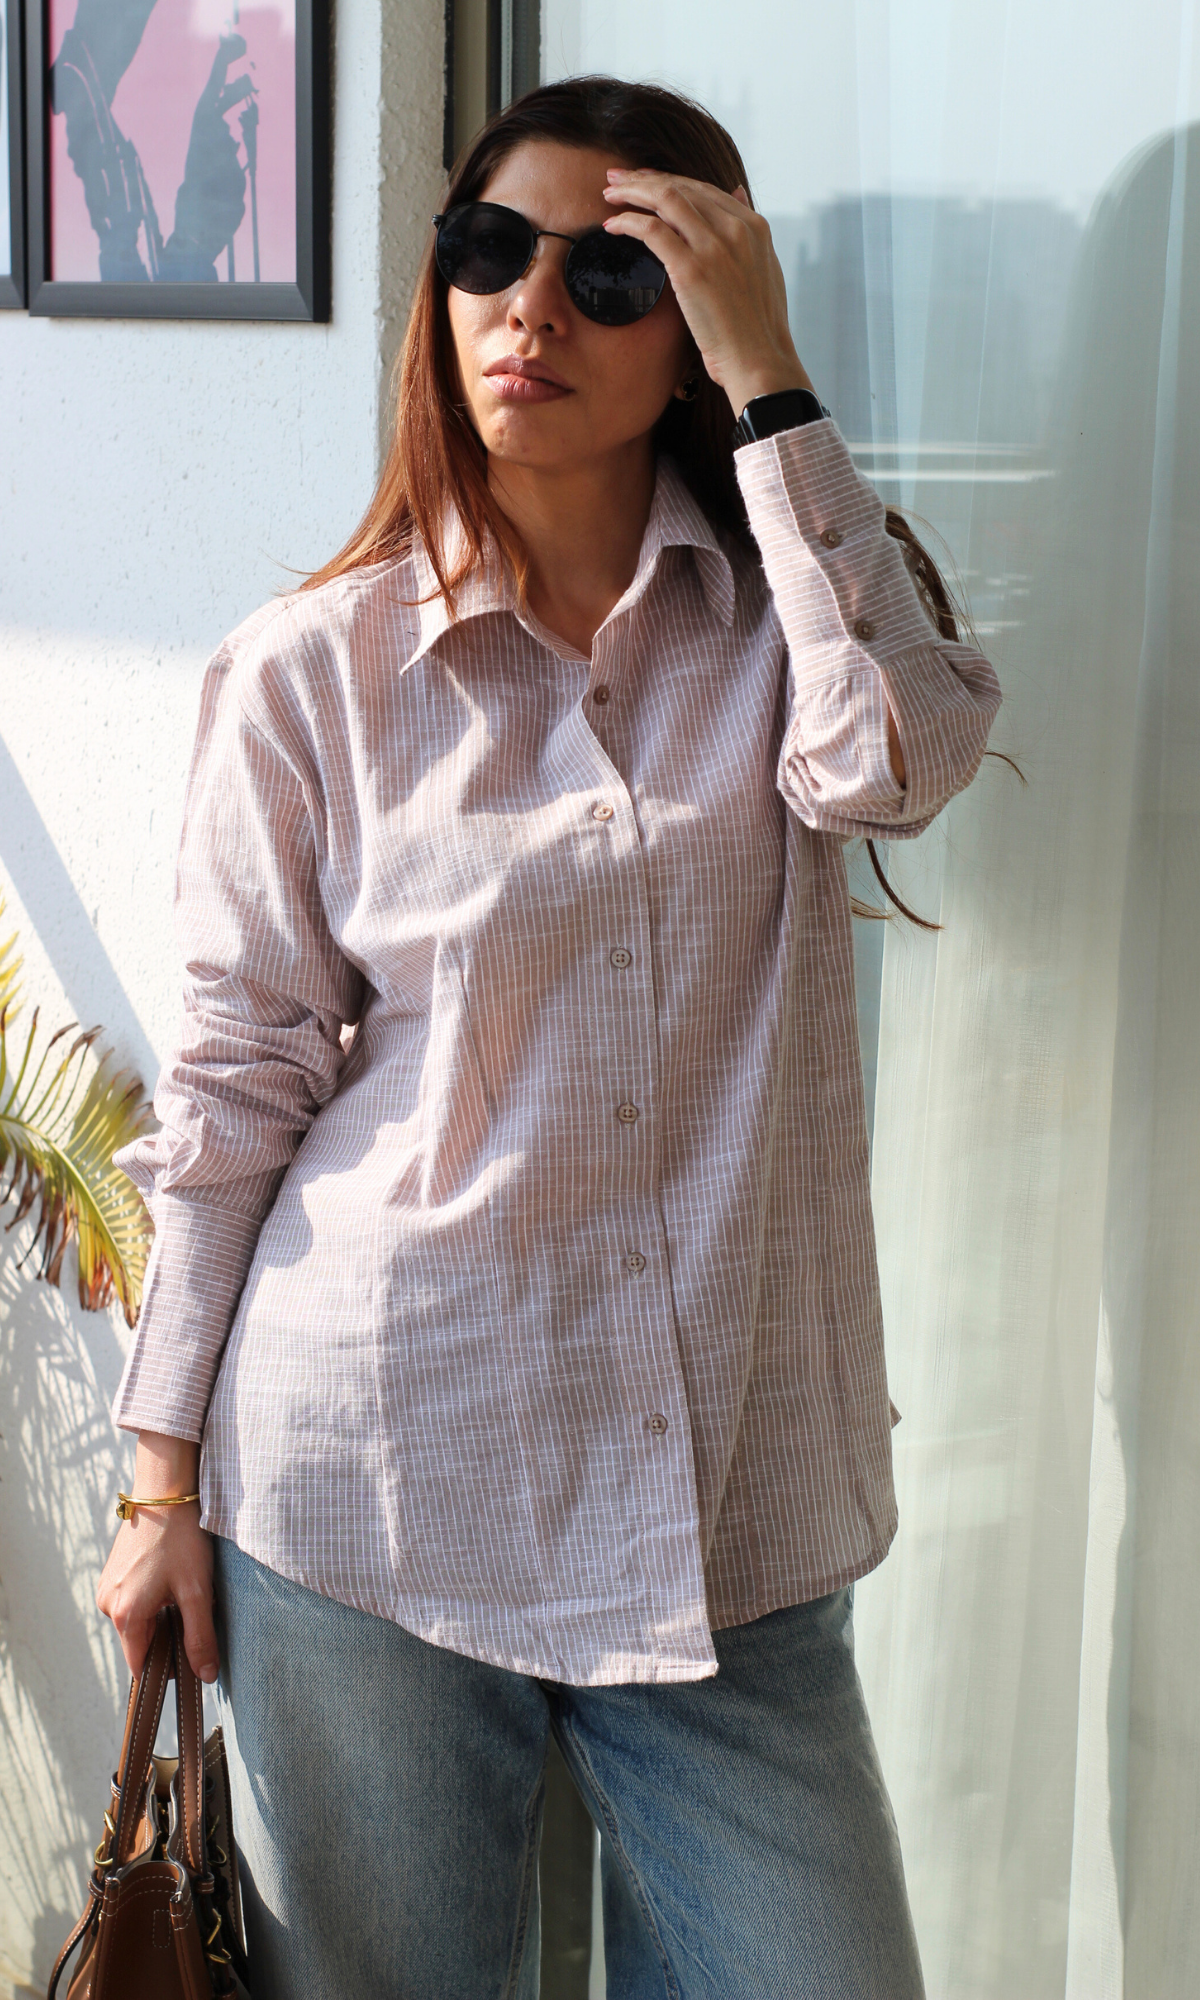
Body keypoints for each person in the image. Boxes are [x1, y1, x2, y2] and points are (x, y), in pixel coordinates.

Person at [96, 75, 1000, 1999]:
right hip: (374, 1492)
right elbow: (235, 1092)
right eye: (492, 253)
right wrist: (158, 1488)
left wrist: (773, 382)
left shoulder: (788, 636)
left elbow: (898, 761)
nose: (531, 307)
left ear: (696, 333)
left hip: (728, 1518)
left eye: (612, 275)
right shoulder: (312, 675)